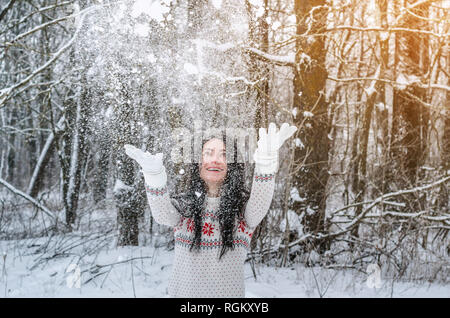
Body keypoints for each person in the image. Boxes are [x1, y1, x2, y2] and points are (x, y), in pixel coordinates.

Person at [124, 122, 297, 297]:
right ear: (198, 163)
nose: (215, 160)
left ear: (232, 165)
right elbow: (162, 215)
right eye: (208, 153)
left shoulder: (242, 210)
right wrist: (154, 176)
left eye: (224, 155)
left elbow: (259, 207)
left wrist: (265, 162)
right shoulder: (186, 207)